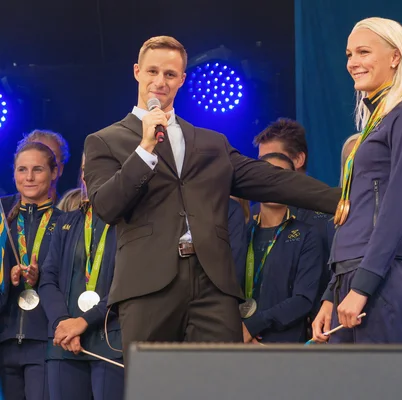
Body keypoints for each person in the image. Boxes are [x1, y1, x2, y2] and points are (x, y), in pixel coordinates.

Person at [83, 36, 340, 355]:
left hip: (212, 288)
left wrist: (341, 199)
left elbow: (273, 181)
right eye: (152, 71)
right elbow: (107, 206)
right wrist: (145, 149)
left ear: (182, 80)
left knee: (217, 383)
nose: (160, 82)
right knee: (154, 386)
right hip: (147, 287)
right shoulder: (105, 141)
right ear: (137, 72)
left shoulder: (211, 143)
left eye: (170, 74)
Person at [311, 17, 402, 344]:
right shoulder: (377, 122)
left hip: (385, 277)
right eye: (349, 54)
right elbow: (359, 211)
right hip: (354, 275)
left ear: (395, 57)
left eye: (364, 52)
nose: (353, 62)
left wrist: (362, 286)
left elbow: (397, 207)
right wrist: (331, 293)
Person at [39, 154, 123, 400]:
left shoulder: (131, 224)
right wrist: (63, 324)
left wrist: (83, 322)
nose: (90, 175)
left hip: (109, 344)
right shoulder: (67, 221)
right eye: (86, 168)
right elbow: (48, 278)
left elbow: (128, 285)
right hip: (64, 345)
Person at [0, 142, 63, 400]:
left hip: (44, 340)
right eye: (21, 169)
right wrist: (7, 278)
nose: (28, 177)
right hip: (5, 337)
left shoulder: (65, 222)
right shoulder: (5, 223)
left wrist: (41, 277)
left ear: (54, 172)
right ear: (13, 173)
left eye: (37, 169)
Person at [239, 153, 323, 343]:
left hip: (284, 348)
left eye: (281, 176)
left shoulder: (307, 235)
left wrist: (254, 325)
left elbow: (303, 299)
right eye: (266, 176)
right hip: (239, 343)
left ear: (292, 184)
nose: (273, 183)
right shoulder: (242, 234)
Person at [1, 130, 70, 208]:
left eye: (50, 156)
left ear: (59, 169)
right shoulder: (2, 209)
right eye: (22, 169)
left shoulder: (70, 213)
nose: (29, 177)